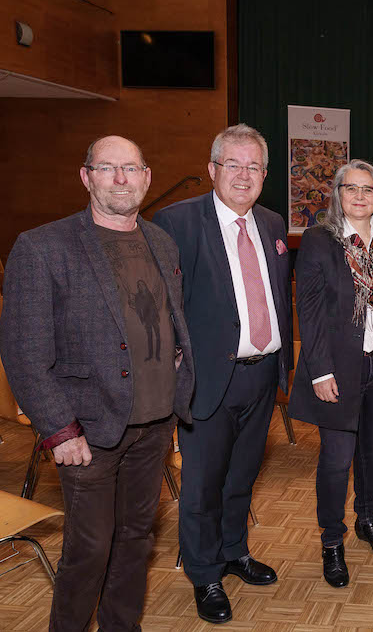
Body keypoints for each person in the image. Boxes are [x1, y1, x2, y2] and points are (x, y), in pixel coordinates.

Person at [0, 135, 195, 631]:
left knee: (135, 541)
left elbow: (160, 319)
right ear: (86, 176)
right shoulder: (43, 247)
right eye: (107, 168)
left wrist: (173, 369)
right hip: (87, 431)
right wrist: (58, 430)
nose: (121, 179)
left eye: (131, 168)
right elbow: (23, 352)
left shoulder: (160, 241)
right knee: (89, 550)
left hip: (153, 425)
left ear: (147, 176)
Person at [153, 124, 293, 625]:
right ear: (212, 169)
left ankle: (234, 552)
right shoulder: (176, 222)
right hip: (208, 378)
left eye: (253, 166)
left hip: (261, 375)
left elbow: (278, 296)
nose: (243, 175)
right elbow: (160, 303)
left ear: (264, 175)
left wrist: (285, 366)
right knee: (202, 486)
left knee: (241, 477)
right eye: (232, 164)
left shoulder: (274, 224)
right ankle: (204, 572)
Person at [289, 160, 373, 589]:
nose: (360, 196)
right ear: (337, 194)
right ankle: (332, 541)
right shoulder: (320, 241)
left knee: (372, 455)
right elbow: (311, 311)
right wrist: (319, 370)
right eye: (350, 188)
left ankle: (366, 519)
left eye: (368, 189)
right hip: (337, 368)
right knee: (336, 462)